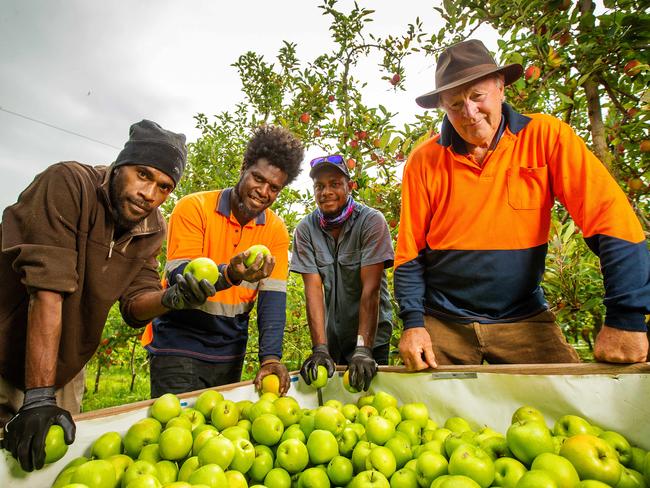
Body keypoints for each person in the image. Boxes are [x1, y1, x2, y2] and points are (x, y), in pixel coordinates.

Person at [394, 39, 650, 370]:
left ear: (501, 87)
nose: (469, 114)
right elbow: (409, 252)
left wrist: (627, 316)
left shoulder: (548, 137)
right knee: (429, 413)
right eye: (455, 105)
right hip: (442, 320)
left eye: (477, 97)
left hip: (522, 315)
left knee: (572, 398)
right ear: (442, 105)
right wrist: (413, 324)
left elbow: (610, 218)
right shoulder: (423, 161)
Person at [0, 120, 219, 472]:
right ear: (120, 165)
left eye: (164, 187)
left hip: (65, 368)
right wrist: (38, 396)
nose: (150, 194)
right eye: (143, 174)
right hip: (8, 348)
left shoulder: (152, 229)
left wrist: (173, 297)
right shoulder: (69, 184)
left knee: (48, 469)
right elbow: (47, 290)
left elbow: (135, 304)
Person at [142, 124, 304, 398]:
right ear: (243, 168)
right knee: (176, 435)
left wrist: (270, 358)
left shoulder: (275, 231)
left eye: (274, 188)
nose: (263, 191)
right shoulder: (194, 208)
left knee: (218, 436)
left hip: (229, 352)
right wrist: (230, 274)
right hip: (178, 345)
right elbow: (181, 279)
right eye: (258, 178)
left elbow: (272, 299)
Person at [290, 155, 394, 392]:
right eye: (319, 186)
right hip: (332, 341)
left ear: (349, 186)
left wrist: (363, 348)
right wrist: (320, 348)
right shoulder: (305, 230)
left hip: (371, 339)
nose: (326, 192)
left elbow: (371, 289)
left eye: (334, 184)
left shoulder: (371, 222)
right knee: (335, 406)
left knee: (372, 402)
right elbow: (313, 290)